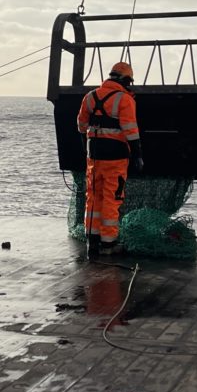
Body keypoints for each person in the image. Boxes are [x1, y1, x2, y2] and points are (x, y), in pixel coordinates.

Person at [76, 60, 144, 256]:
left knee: (93, 196)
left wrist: (86, 145)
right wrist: (138, 154)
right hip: (115, 157)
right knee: (111, 198)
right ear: (125, 80)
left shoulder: (90, 97)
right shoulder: (124, 100)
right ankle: (109, 243)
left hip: (93, 157)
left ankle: (92, 240)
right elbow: (131, 131)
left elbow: (81, 125)